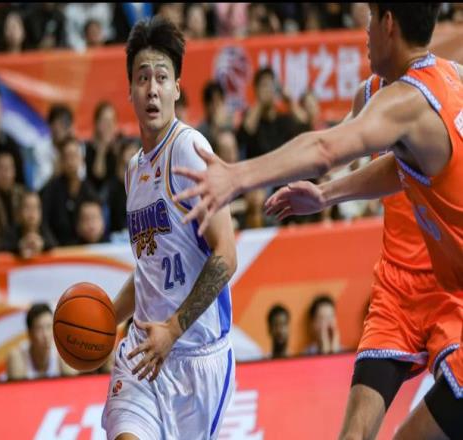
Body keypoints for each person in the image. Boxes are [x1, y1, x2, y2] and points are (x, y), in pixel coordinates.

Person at [173, 4, 463, 439]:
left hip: (448, 295)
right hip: (401, 288)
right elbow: (402, 168)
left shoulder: (409, 101)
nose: (364, 30)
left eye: (370, 17)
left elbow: (326, 149)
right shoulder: (447, 79)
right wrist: (326, 194)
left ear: (388, 23)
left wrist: (237, 176)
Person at [102, 17, 237, 440]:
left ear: (177, 88)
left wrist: (173, 330)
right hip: (142, 353)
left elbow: (226, 256)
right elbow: (150, 269)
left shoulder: (189, 150)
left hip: (197, 359)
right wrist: (105, 321)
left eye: (161, 78)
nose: (152, 89)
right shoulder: (133, 170)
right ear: (130, 91)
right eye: (142, 78)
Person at [7, 303, 76, 380]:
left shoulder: (61, 354)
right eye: (39, 328)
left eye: (49, 327)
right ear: (30, 333)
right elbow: (16, 387)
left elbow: (73, 383)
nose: (46, 335)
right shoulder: (18, 356)